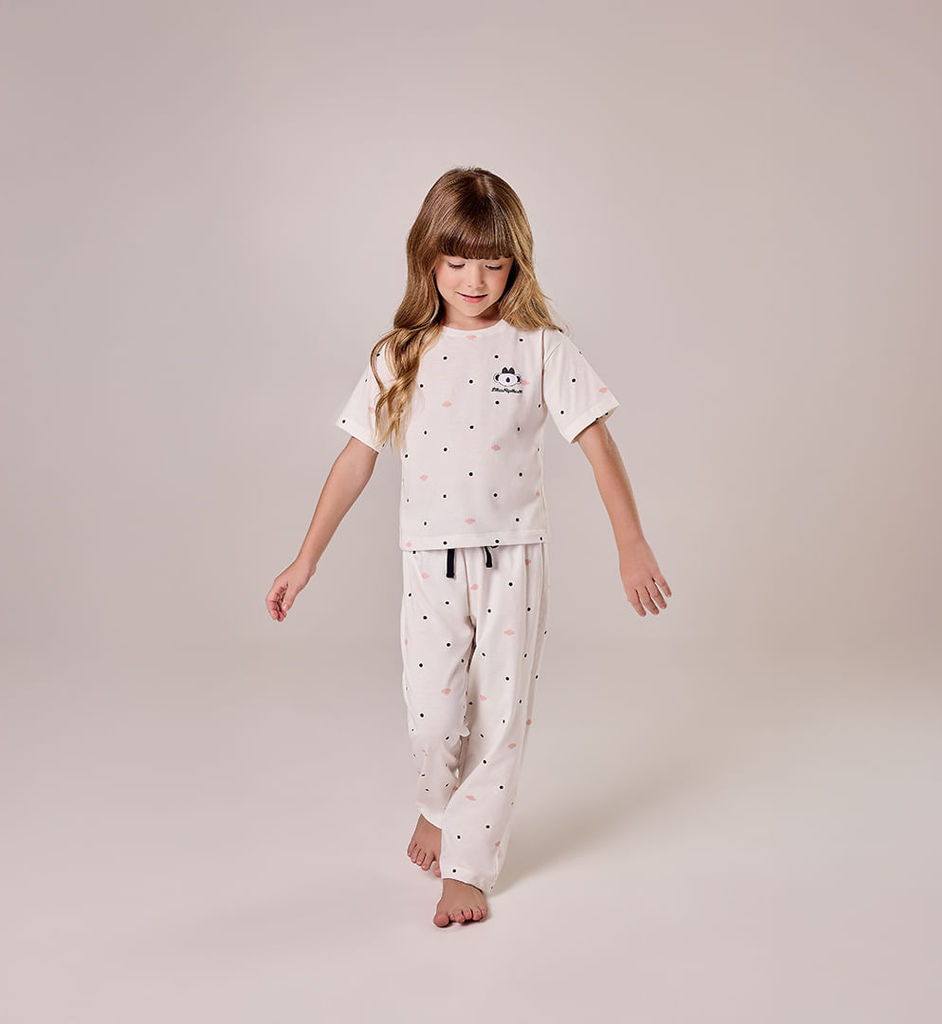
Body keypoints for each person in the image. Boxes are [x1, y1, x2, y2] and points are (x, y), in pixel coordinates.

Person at [266, 166, 671, 928]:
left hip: (515, 557)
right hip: (429, 561)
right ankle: (435, 804)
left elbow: (596, 443)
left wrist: (632, 543)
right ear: (428, 260)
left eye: (493, 263)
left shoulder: (543, 348)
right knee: (433, 716)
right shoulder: (400, 353)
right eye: (456, 262)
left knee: (499, 718)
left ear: (516, 263)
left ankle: (468, 866)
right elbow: (354, 460)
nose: (475, 281)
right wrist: (305, 558)